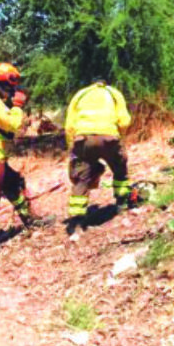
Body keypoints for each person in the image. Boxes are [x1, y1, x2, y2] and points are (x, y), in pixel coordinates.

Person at [0, 62, 51, 256]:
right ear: (4, 84)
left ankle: (30, 219)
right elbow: (13, 123)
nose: (11, 91)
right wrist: (18, 106)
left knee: (14, 184)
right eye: (10, 86)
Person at [63, 79, 137, 236]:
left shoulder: (80, 94)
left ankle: (76, 222)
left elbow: (69, 125)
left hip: (83, 139)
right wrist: (118, 138)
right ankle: (122, 204)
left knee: (82, 178)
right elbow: (124, 121)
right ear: (105, 83)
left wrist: (73, 147)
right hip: (108, 137)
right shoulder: (113, 93)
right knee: (120, 168)